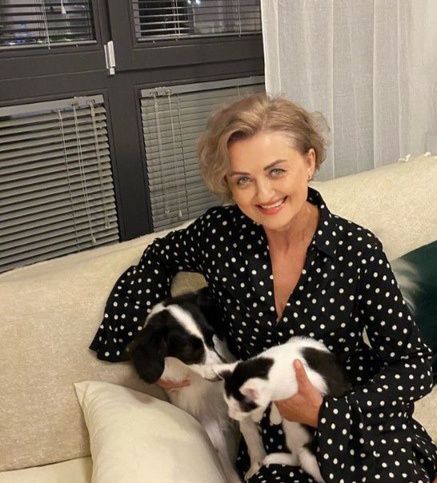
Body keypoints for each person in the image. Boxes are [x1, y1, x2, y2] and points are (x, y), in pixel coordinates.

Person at [90, 93, 437, 482]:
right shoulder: (219, 236)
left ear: (309, 162)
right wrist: (146, 356)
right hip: (274, 437)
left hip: (358, 423)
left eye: (276, 171)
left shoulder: (356, 250)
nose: (264, 195)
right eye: (244, 180)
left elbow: (414, 365)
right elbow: (156, 258)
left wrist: (327, 412)